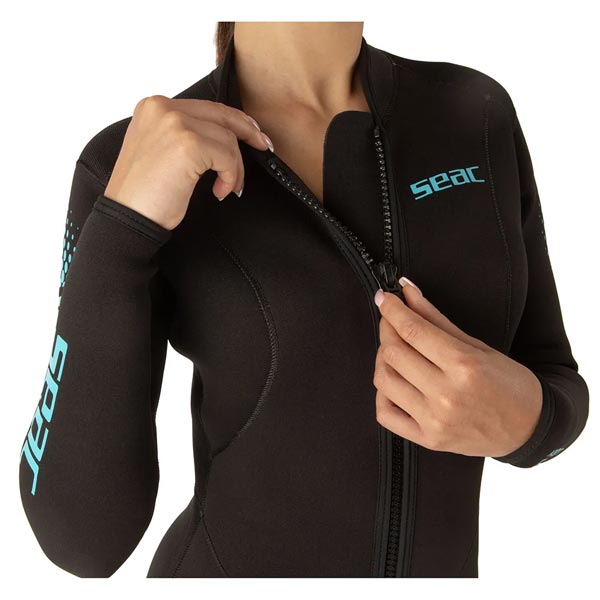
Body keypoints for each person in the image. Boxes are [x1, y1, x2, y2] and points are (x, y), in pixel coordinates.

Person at [18, 21, 589, 578]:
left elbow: (556, 378)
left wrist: (529, 423)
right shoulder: (133, 159)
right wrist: (121, 226)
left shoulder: (475, 114)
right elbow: (82, 543)